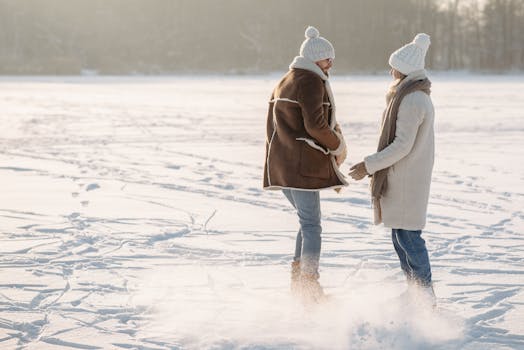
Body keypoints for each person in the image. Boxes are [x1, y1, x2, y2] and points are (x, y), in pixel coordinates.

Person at [349, 33, 436, 306]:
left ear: (406, 70)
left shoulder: (411, 100)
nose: (391, 71)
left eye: (394, 66)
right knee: (401, 238)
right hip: (405, 177)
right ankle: (415, 293)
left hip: (407, 179)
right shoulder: (408, 96)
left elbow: (402, 146)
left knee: (409, 239)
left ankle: (424, 297)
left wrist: (369, 166)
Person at [263, 26, 348, 303]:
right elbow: (315, 124)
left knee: (306, 222)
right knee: (312, 225)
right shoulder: (310, 80)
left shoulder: (286, 79)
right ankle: (309, 287)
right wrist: (337, 145)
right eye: (326, 59)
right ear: (314, 60)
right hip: (301, 166)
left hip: (284, 165)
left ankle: (299, 285)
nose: (330, 64)